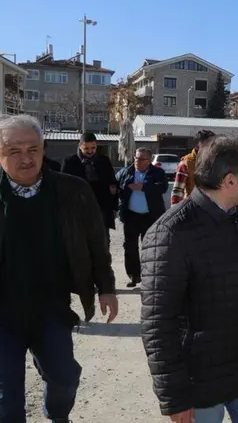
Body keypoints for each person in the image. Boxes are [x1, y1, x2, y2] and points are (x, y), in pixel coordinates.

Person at [141, 136, 238, 423]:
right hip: (199, 380)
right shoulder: (170, 233)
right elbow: (158, 322)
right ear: (229, 181)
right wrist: (174, 396)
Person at [0, 114, 118, 422]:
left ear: (43, 149)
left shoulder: (71, 190)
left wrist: (106, 287)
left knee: (64, 377)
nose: (26, 159)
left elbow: (96, 242)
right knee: (6, 399)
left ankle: (57, 416)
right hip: (2, 312)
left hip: (50, 306)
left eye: (33, 149)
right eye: (14, 151)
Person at [116, 148, 169, 288]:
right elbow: (116, 185)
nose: (137, 161)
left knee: (150, 248)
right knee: (130, 247)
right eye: (136, 158)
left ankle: (148, 276)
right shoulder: (126, 172)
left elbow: (162, 187)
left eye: (141, 159)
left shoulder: (158, 172)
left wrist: (143, 187)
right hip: (131, 216)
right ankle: (134, 275)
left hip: (150, 216)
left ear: (149, 160)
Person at [61, 132, 118, 241]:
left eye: (93, 148)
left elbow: (113, 184)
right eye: (86, 148)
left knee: (102, 242)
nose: (90, 151)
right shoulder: (70, 162)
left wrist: (114, 207)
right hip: (78, 209)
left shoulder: (104, 161)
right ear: (80, 146)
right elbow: (63, 187)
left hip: (101, 207)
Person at [170, 129, 216, 205]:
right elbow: (178, 191)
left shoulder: (216, 161)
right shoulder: (186, 163)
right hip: (192, 207)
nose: (211, 146)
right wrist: (174, 211)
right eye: (207, 143)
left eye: (213, 143)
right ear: (197, 145)